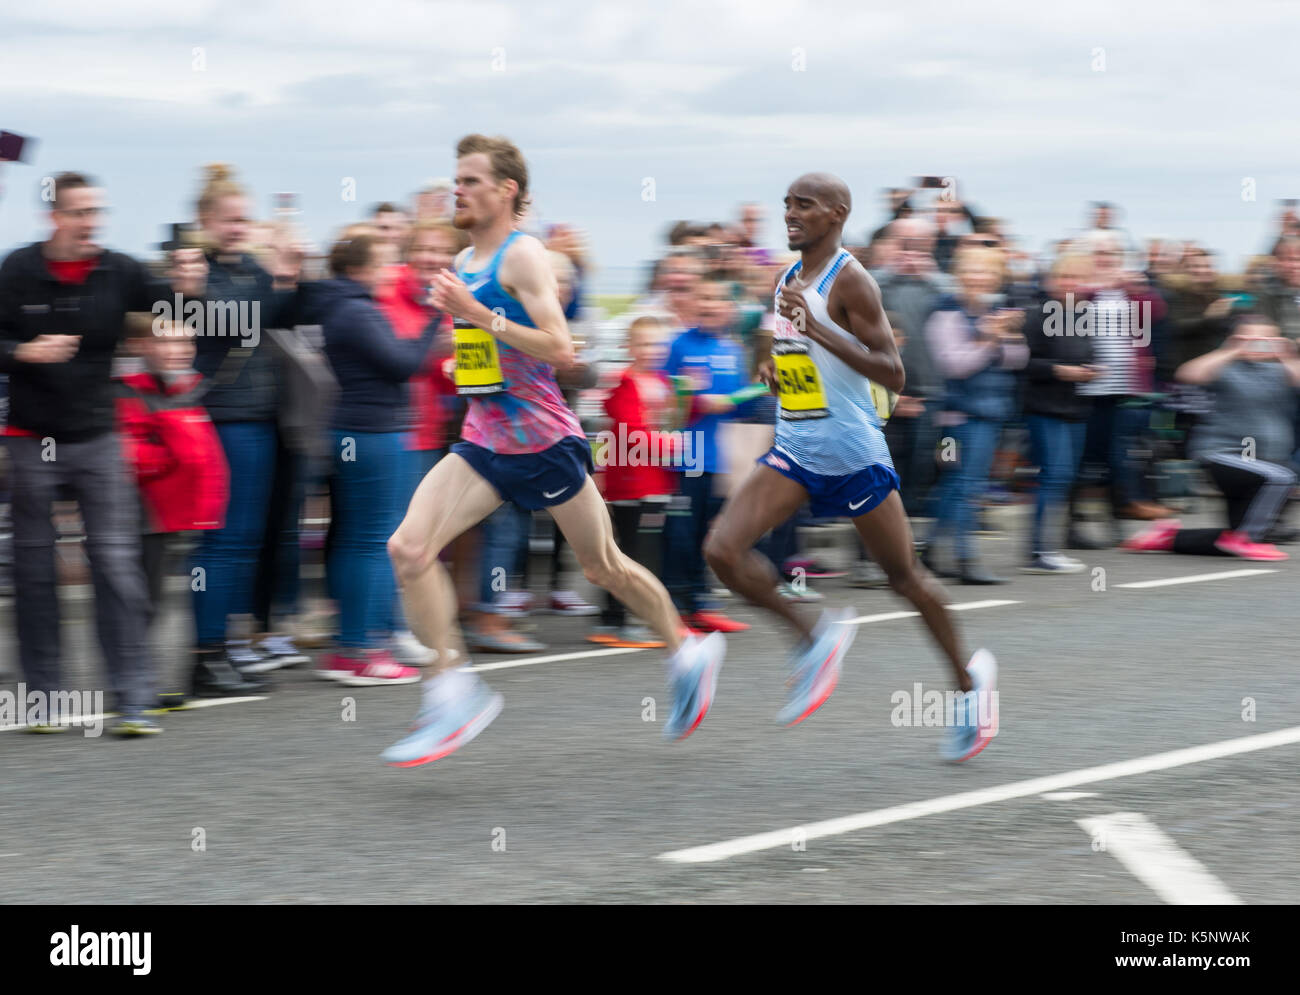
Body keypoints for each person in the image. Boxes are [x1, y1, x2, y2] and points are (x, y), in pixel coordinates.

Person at [382, 134, 723, 766]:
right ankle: (452, 689)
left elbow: (562, 350)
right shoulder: (466, 258)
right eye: (455, 180)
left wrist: (478, 318)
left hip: (543, 441)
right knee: (408, 548)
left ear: (507, 191)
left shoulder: (523, 256)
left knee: (602, 567)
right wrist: (467, 361)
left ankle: (686, 647)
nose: (459, 189)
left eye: (472, 181)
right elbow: (497, 356)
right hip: (485, 437)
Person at [703, 173, 997, 762]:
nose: (790, 214)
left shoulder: (852, 279)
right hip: (796, 449)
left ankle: (971, 686)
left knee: (903, 578)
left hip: (853, 454)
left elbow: (892, 372)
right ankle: (815, 637)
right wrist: (777, 370)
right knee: (721, 552)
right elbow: (795, 358)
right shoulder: (787, 277)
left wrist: (818, 328)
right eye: (785, 204)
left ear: (836, 214)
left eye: (803, 206)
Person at [0, 171, 199, 734]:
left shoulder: (120, 269)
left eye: (97, 213)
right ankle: (43, 702)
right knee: (35, 571)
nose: (92, 223)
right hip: (29, 441)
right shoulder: (17, 270)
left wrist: (186, 286)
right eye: (81, 212)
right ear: (55, 217)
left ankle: (132, 701)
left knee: (115, 566)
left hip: (98, 438)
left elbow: (174, 312)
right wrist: (25, 353)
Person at [316, 231, 435, 685]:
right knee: (374, 542)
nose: (391, 272)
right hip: (373, 433)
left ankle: (355, 642)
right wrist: (431, 322)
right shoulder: (357, 310)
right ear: (359, 268)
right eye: (384, 262)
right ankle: (362, 649)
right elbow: (403, 364)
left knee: (356, 540)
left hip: (359, 432)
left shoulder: (342, 306)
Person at [116, 315, 239, 703]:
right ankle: (133, 686)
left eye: (186, 341)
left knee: (160, 600)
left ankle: (144, 680)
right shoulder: (128, 392)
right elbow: (127, 451)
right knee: (143, 600)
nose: (179, 350)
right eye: (166, 342)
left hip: (174, 514)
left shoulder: (185, 389)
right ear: (140, 346)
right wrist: (169, 459)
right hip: (145, 512)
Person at [1124, 317, 1299, 561]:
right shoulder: (1225, 367)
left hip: (1266, 459)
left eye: (1266, 339)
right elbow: (1187, 374)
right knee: (1281, 477)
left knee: (1239, 537)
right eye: (1252, 338)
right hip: (1224, 455)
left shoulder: (1282, 369)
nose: (1259, 345)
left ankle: (1169, 537)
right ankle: (1246, 538)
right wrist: (1231, 350)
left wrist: (1285, 354)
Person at [922, 246, 1028, 584]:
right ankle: (966, 559)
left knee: (958, 484)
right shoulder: (946, 314)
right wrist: (988, 338)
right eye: (973, 270)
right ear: (960, 274)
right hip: (957, 418)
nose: (979, 278)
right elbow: (954, 364)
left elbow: (1018, 360)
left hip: (989, 414)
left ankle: (930, 552)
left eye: (987, 272)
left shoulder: (998, 312)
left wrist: (1004, 335)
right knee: (964, 484)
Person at [1020, 254, 1095, 572]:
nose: (1070, 284)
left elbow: (1087, 353)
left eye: (1076, 278)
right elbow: (1026, 363)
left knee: (1063, 477)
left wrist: (1091, 371)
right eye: (1064, 277)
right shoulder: (1036, 316)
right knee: (1054, 475)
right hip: (1044, 406)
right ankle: (1040, 550)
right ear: (1051, 281)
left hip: (1074, 407)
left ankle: (1047, 546)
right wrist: (1061, 371)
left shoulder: (1083, 315)